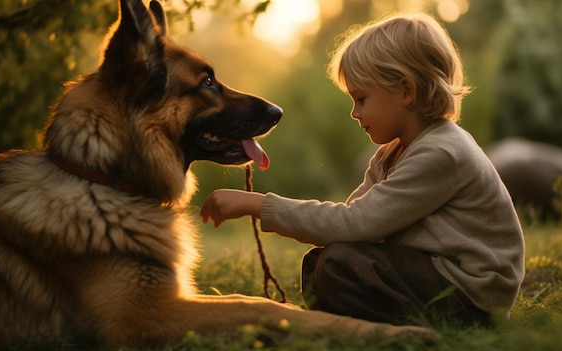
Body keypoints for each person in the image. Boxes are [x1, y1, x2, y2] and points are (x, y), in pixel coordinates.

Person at [200, 13, 525, 328]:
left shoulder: (441, 153)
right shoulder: (391, 154)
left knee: (339, 264)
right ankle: (353, 324)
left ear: (405, 91)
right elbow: (347, 223)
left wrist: (257, 204)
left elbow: (355, 225)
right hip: (436, 272)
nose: (355, 113)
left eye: (361, 98)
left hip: (470, 292)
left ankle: (412, 328)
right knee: (323, 261)